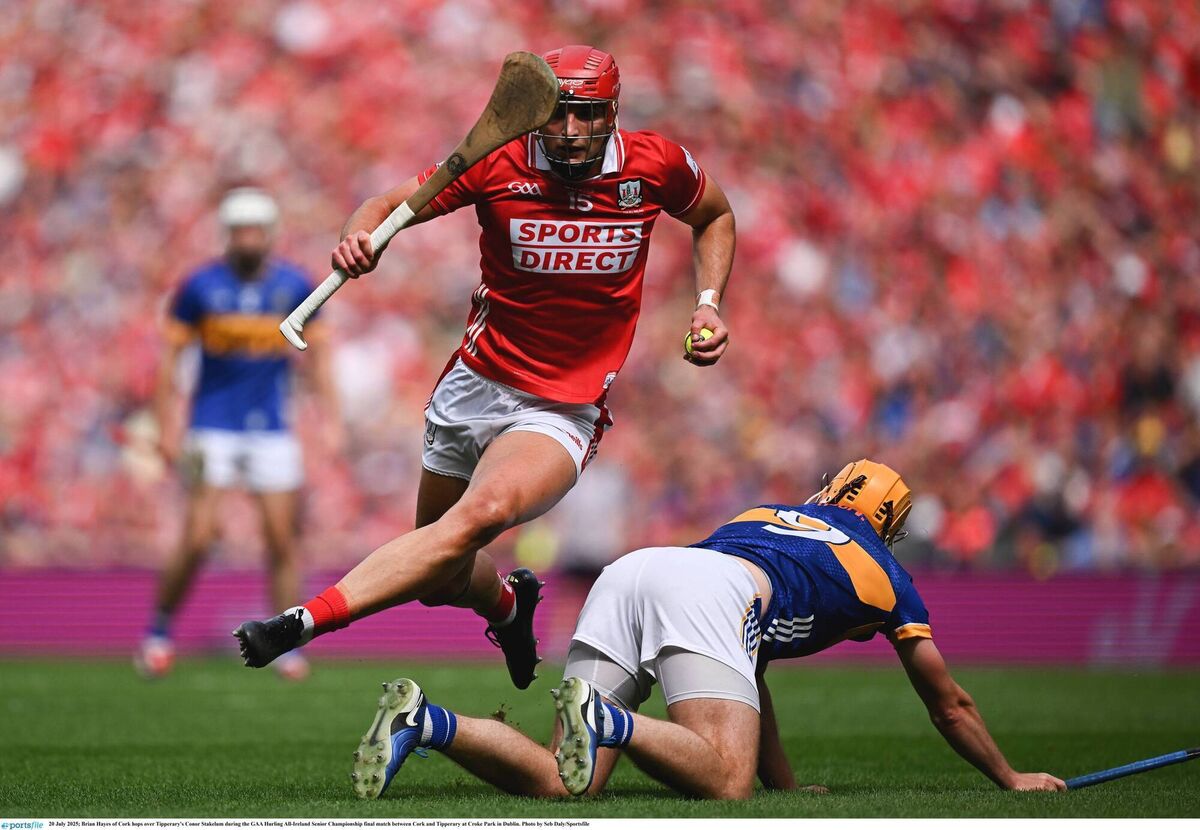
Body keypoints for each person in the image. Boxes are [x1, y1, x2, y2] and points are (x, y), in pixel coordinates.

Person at [232, 44, 736, 690]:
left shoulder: (654, 165)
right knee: (440, 575)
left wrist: (709, 303)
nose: (571, 132)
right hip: (474, 385)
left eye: (587, 116)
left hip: (563, 406)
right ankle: (507, 606)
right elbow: (384, 207)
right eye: (557, 115)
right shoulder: (497, 162)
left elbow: (714, 214)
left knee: (477, 515)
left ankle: (303, 622)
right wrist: (358, 240)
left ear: (613, 114)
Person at [346, 460, 1067, 800]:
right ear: (889, 522)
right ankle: (609, 720)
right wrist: (1009, 778)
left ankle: (425, 721)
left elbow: (746, 668)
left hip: (634, 572)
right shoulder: (886, 573)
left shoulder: (762, 513)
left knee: (565, 785)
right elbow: (950, 702)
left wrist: (785, 787)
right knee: (725, 783)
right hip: (708, 592)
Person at [135, 187, 342, 681]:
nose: (247, 239)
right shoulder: (199, 287)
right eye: (239, 230)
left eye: (255, 230)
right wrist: (165, 424)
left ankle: (288, 640)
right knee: (199, 535)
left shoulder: (295, 285)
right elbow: (170, 365)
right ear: (227, 235)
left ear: (269, 234)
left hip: (272, 426)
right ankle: (159, 630)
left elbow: (319, 357)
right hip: (213, 425)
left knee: (281, 538)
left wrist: (329, 416)